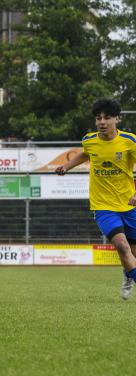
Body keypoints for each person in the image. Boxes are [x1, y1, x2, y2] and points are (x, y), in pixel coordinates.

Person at [56, 98, 136, 301]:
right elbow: (85, 154)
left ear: (117, 119)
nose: (102, 122)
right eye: (98, 118)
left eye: (107, 117)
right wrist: (66, 166)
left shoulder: (129, 141)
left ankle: (128, 276)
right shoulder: (89, 140)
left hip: (128, 204)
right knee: (122, 246)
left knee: (132, 253)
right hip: (102, 205)